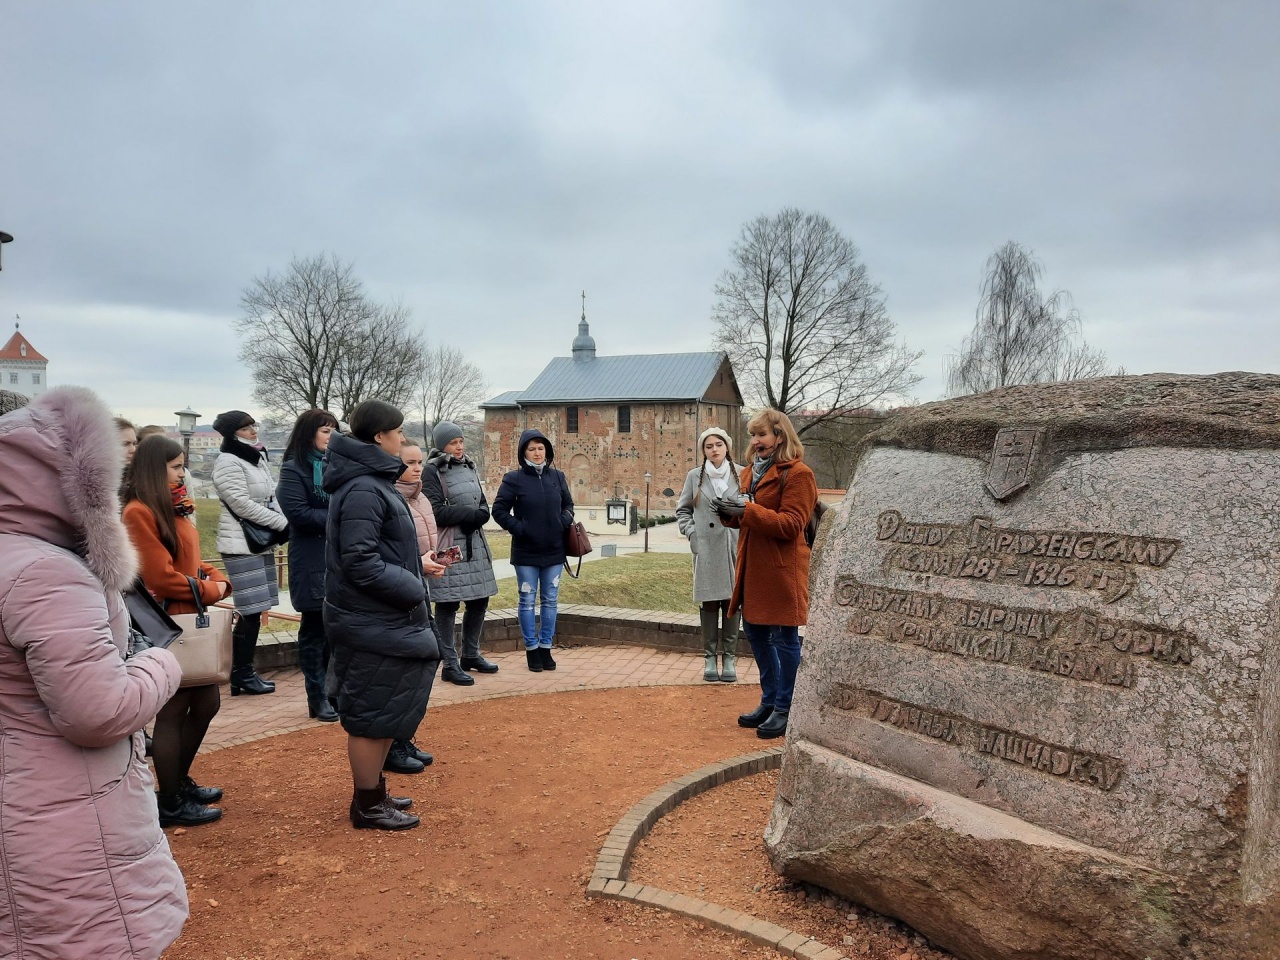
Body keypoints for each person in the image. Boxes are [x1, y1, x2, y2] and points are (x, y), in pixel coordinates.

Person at [0, 387, 188, 959]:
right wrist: (161, 661)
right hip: (65, 811)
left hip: (25, 796)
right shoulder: (45, 572)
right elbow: (96, 710)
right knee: (95, 938)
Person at [323, 399, 441, 830]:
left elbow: (380, 550)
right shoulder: (363, 488)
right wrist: (413, 587)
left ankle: (374, 791)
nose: (402, 439)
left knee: (383, 708)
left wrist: (416, 565)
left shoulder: (371, 482)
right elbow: (359, 560)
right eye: (397, 432)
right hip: (371, 619)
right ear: (379, 438)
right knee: (371, 715)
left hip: (380, 617)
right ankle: (367, 803)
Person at [122, 435, 231, 826]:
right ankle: (169, 798)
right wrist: (210, 589)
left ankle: (176, 781)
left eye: (182, 466)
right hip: (167, 622)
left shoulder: (174, 507)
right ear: (155, 468)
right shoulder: (139, 512)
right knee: (174, 710)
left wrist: (218, 582)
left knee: (205, 703)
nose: (182, 472)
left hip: (187, 614)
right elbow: (160, 578)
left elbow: (195, 563)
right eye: (175, 466)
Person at [714, 408, 817, 740]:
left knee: (784, 639)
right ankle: (770, 700)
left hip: (782, 569)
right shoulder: (750, 474)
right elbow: (749, 517)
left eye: (761, 435)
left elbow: (791, 525)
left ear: (780, 436)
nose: (755, 441)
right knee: (756, 634)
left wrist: (748, 510)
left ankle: (787, 708)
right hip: (752, 566)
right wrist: (730, 513)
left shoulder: (799, 474)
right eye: (753, 435)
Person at [211, 410, 288, 696]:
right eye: (246, 427)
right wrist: (280, 523)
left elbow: (270, 495)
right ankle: (240, 672)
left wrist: (281, 521)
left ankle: (243, 671)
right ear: (233, 433)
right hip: (240, 542)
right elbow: (240, 503)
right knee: (250, 610)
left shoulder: (255, 457)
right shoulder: (228, 461)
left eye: (253, 425)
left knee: (257, 608)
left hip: (257, 541)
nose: (253, 430)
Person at [422, 421, 500, 684]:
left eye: (461, 441)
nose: (459, 447)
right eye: (453, 442)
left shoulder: (470, 466)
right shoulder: (432, 471)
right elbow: (435, 511)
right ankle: (450, 663)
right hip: (449, 546)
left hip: (475, 544)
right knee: (447, 603)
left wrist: (477, 515)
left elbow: (483, 507)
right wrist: (470, 515)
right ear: (441, 444)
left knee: (479, 600)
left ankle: (471, 654)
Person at [276, 409, 340, 723]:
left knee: (335, 630)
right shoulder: (293, 469)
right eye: (325, 430)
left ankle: (332, 692)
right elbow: (298, 514)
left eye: (334, 430)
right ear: (309, 433)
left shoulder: (338, 467)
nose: (331, 436)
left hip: (337, 557)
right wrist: (340, 519)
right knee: (314, 630)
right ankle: (317, 696)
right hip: (310, 558)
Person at [492, 428, 574, 673]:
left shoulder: (557, 477)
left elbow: (568, 503)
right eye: (532, 449)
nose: (537, 453)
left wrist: (564, 520)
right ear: (523, 452)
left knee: (550, 600)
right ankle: (531, 649)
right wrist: (521, 528)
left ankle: (546, 648)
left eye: (541, 448)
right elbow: (499, 511)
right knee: (527, 600)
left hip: (554, 551)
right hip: (526, 552)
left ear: (547, 450)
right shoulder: (513, 479)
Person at [390, 442, 450, 774]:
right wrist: (418, 563)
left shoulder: (422, 496)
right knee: (404, 671)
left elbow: (427, 539)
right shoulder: (390, 498)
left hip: (420, 585)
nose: (416, 468)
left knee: (420, 668)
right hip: (400, 589)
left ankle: (404, 736)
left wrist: (435, 559)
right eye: (409, 463)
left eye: (419, 462)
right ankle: (393, 743)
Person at [675, 426, 741, 683]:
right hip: (706, 547)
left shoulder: (743, 474)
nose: (714, 449)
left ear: (727, 447)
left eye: (718, 445)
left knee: (732, 602)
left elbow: (753, 506)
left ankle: (731, 657)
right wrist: (693, 533)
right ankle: (710, 657)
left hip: (733, 546)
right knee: (710, 602)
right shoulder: (695, 477)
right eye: (708, 446)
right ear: (703, 450)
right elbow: (682, 511)